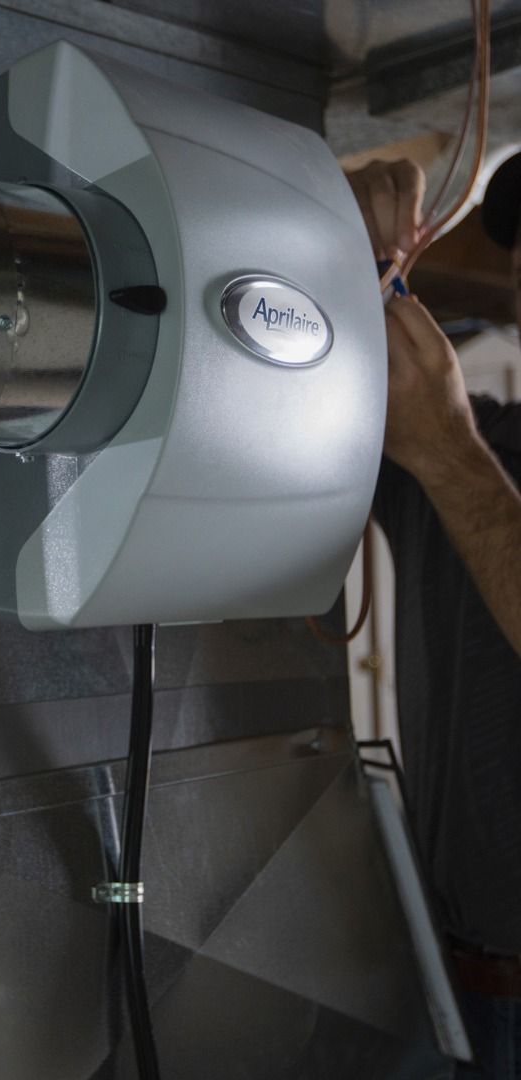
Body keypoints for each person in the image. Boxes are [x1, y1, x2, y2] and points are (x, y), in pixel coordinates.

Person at [346, 157, 521, 1079]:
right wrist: (341, 241)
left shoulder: (455, 443)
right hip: (454, 981)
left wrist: (447, 452)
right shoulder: (472, 434)